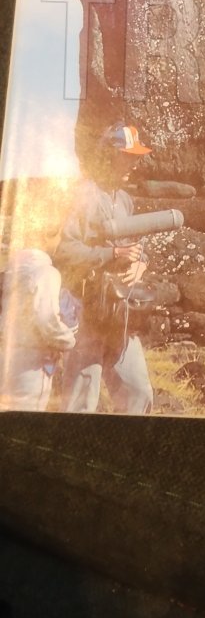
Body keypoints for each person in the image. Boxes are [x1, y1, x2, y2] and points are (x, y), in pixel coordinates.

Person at [53, 123, 154, 415]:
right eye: (128, 156)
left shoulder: (124, 199)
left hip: (118, 311)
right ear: (109, 156)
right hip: (85, 309)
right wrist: (112, 254)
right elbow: (64, 251)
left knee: (138, 392)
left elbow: (133, 245)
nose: (134, 164)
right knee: (81, 400)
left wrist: (141, 262)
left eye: (136, 157)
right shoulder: (82, 195)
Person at [0, 220, 78, 412]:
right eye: (59, 236)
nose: (59, 241)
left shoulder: (13, 269)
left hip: (7, 353)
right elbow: (47, 320)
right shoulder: (45, 272)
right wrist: (68, 339)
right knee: (27, 417)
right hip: (31, 363)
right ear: (46, 237)